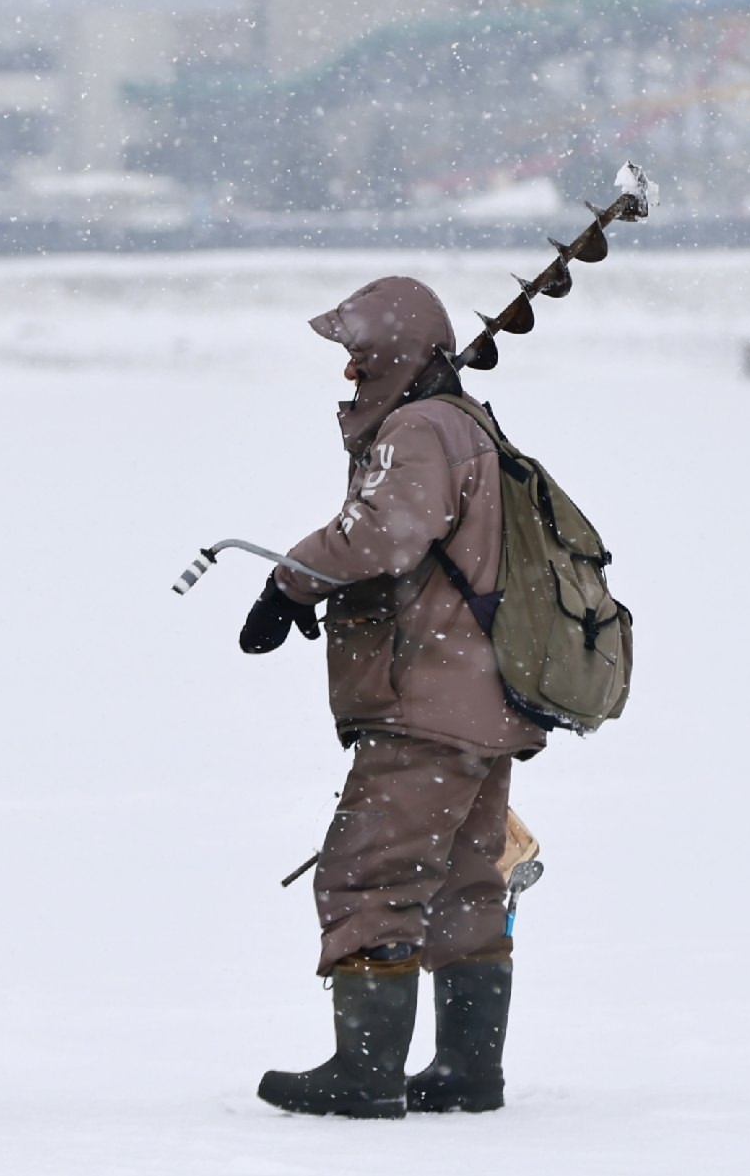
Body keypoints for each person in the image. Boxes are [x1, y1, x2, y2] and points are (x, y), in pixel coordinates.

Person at [239, 275, 541, 1118]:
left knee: (370, 873)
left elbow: (385, 532)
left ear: (397, 353)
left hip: (426, 703)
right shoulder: (467, 422)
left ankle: (364, 1072)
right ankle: (469, 1070)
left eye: (359, 354)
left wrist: (290, 581)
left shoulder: (418, 429)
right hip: (483, 701)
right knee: (466, 880)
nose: (349, 373)